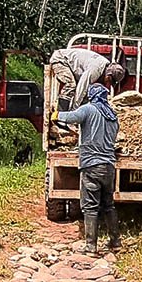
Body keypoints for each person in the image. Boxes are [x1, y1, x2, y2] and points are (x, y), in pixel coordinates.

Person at [58, 84, 120, 255]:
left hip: (91, 165)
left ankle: (91, 246)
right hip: (109, 166)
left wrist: (56, 114)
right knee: (108, 205)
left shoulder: (89, 109)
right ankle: (115, 242)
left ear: (92, 96)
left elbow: (72, 117)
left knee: (90, 207)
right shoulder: (113, 115)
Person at [48, 47, 128, 109]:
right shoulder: (95, 69)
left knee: (85, 94)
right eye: (110, 81)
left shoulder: (104, 66)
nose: (108, 84)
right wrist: (74, 111)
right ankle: (60, 116)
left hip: (71, 65)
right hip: (61, 60)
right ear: (108, 76)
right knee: (71, 85)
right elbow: (81, 88)